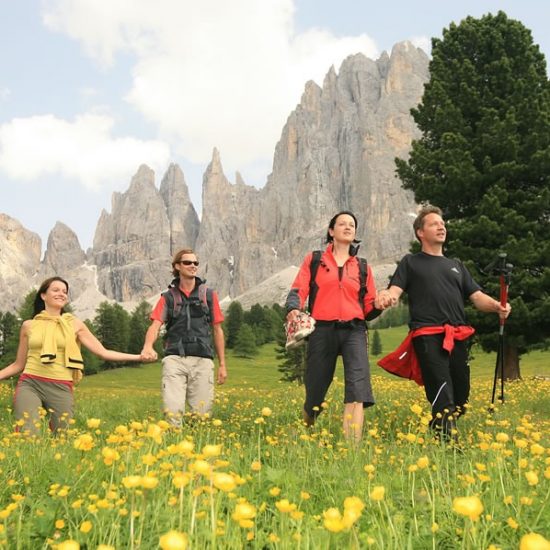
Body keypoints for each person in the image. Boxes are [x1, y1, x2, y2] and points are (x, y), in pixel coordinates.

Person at [376, 205, 511, 442]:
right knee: (442, 389)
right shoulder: (411, 262)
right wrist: (387, 296)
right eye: (434, 224)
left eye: (443, 224)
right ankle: (450, 447)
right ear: (420, 232)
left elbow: (477, 297)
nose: (441, 227)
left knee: (461, 397)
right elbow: (395, 291)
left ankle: (436, 430)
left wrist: (498, 306)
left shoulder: (456, 265)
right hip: (427, 335)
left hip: (457, 335)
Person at [0, 277, 146, 435]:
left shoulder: (75, 324)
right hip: (30, 383)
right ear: (43, 295)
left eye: (65, 292)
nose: (61, 294)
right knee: (27, 433)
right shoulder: (29, 325)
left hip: (61, 386)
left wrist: (138, 357)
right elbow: (18, 365)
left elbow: (103, 352)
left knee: (62, 436)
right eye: (56, 290)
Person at [285, 211, 380, 442]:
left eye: (352, 225)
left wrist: (380, 304)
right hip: (322, 330)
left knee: (357, 388)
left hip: (355, 330)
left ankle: (352, 451)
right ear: (331, 231)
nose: (348, 227)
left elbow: (369, 308)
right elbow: (298, 289)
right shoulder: (315, 260)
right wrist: (293, 309)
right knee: (315, 391)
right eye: (342, 224)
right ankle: (306, 428)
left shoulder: (363, 266)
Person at [141, 248, 227, 426]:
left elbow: (218, 330)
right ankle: (174, 447)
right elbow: (155, 325)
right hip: (174, 360)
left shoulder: (209, 295)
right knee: (172, 413)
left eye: (196, 263)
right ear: (177, 266)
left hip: (203, 360)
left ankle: (198, 447)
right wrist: (148, 346)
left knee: (202, 416)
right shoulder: (167, 298)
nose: (193, 266)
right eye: (188, 262)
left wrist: (222, 365)